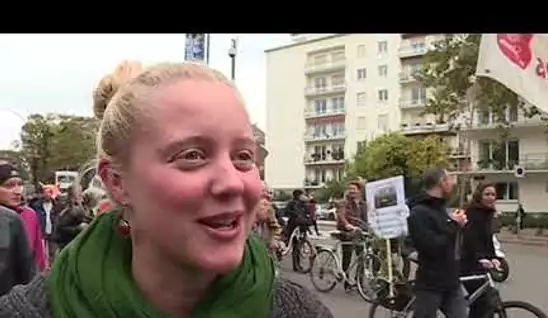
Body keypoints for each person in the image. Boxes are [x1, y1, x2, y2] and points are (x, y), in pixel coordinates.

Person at [0, 61, 333, 318]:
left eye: (243, 157)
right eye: (192, 156)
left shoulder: (300, 311)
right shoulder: (32, 311)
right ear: (117, 182)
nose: (232, 181)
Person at [407, 166, 468, 318]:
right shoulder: (419, 212)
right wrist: (454, 225)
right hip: (431, 285)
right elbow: (431, 246)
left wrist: (458, 225)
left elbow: (449, 240)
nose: (453, 184)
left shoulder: (440, 208)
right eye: (449, 179)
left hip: (451, 281)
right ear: (441, 182)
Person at [461, 182, 501, 318]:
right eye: (487, 194)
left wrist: (494, 257)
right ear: (479, 196)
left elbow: (488, 239)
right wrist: (480, 257)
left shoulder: (488, 213)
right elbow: (470, 238)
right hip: (467, 262)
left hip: (479, 262)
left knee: (484, 303)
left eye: (493, 194)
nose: (491, 197)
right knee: (481, 302)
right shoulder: (472, 212)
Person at [0, 162, 36, 295]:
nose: (17, 191)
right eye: (9, 185)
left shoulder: (28, 215)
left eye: (19, 184)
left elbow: (34, 258)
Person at [335, 180, 367, 289]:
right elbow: (341, 215)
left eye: (354, 189)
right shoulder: (343, 202)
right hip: (347, 232)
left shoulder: (363, 204)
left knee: (362, 258)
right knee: (347, 257)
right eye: (350, 189)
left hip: (359, 233)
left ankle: (360, 282)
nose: (351, 191)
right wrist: (347, 224)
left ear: (359, 191)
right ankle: (346, 281)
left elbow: (366, 218)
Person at [54, 184, 93, 250]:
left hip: (80, 243)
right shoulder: (67, 208)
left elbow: (87, 217)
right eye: (78, 192)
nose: (81, 194)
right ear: (72, 195)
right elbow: (61, 227)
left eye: (81, 191)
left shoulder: (84, 205)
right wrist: (78, 228)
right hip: (68, 244)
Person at [30, 184, 61, 261]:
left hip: (52, 231)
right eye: (45, 192)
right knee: (41, 252)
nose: (47, 195)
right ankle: (43, 268)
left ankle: (52, 268)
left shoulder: (56, 205)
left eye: (49, 192)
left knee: (53, 252)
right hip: (41, 231)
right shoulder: (36, 205)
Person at [284, 189, 311, 272]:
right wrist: (294, 214)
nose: (304, 196)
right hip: (293, 226)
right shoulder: (291, 203)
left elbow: (307, 213)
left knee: (299, 246)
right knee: (295, 246)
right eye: (302, 195)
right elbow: (286, 212)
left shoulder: (303, 204)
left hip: (302, 227)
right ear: (298, 195)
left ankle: (297, 265)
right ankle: (296, 265)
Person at [253, 183, 283, 254]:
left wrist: (274, 239)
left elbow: (275, 227)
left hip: (264, 244)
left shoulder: (268, 207)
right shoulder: (246, 205)